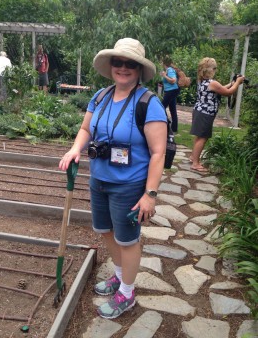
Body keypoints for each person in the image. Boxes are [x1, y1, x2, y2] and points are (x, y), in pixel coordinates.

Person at [59, 38, 167, 319]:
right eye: (118, 62)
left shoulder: (148, 103)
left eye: (130, 63)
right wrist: (74, 149)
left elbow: (158, 153)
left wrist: (150, 194)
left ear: (139, 69)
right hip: (100, 180)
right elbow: (86, 129)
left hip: (129, 185)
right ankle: (119, 278)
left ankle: (128, 294)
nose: (123, 68)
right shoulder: (101, 96)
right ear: (111, 66)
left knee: (127, 240)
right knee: (106, 232)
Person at [190, 57, 245, 172]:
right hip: (206, 113)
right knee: (203, 137)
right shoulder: (212, 82)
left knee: (199, 136)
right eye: (215, 68)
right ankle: (195, 163)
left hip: (199, 111)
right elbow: (228, 92)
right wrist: (238, 83)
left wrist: (232, 83)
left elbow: (221, 89)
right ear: (211, 70)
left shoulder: (202, 81)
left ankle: (193, 157)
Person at [161, 56, 180, 133]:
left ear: (164, 63)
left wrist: (164, 76)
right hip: (170, 91)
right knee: (172, 109)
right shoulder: (167, 70)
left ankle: (165, 123)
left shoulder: (170, 70)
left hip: (171, 91)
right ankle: (174, 128)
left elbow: (173, 80)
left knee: (161, 107)